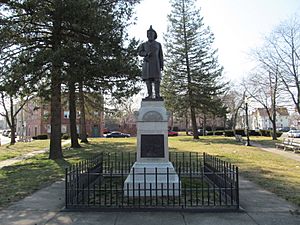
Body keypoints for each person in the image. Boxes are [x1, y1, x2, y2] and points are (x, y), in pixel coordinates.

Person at [138, 26, 164, 100]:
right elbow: (139, 52)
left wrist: (162, 65)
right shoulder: (144, 44)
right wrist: (145, 53)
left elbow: (160, 55)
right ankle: (149, 95)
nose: (150, 35)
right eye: (148, 34)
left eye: (151, 34)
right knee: (148, 80)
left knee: (157, 80)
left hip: (156, 64)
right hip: (147, 64)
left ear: (154, 35)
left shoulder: (158, 44)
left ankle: (157, 94)